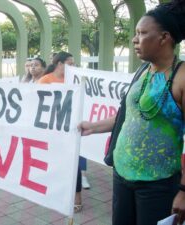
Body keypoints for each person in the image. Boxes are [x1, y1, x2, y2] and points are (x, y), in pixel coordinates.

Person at [78, 1, 185, 224]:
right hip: (122, 175)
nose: (134, 39)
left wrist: (184, 190)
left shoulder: (181, 76)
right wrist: (93, 127)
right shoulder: (143, 71)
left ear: (164, 38)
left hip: (158, 185)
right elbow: (127, 116)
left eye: (142, 33)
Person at [37, 51, 84, 213]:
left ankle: (77, 198)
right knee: (55, 162)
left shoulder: (76, 80)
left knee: (74, 163)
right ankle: (57, 194)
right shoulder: (45, 80)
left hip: (71, 129)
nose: (73, 67)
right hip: (52, 130)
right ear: (59, 64)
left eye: (74, 64)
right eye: (70, 64)